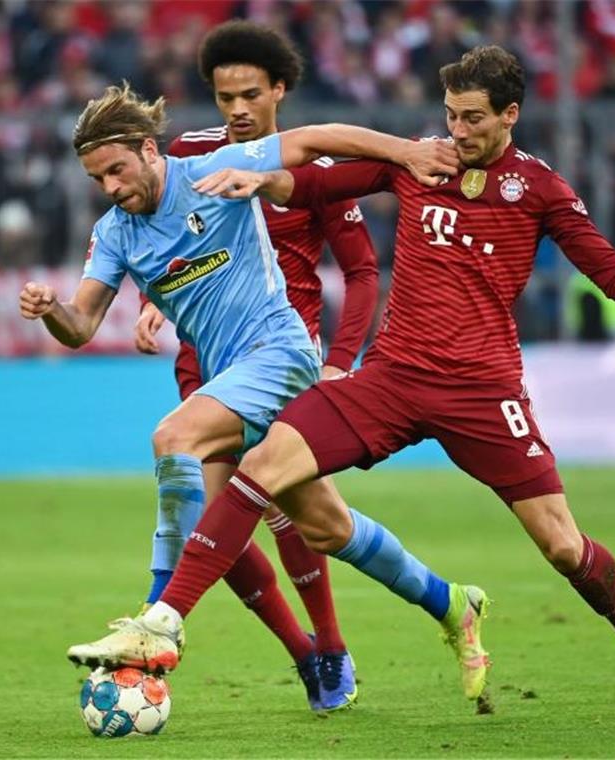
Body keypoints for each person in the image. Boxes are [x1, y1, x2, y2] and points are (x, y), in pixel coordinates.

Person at [67, 47, 615, 715]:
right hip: (394, 378)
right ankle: (164, 622)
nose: (456, 132)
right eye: (450, 115)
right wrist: (265, 181)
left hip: (483, 391)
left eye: (472, 118)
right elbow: (317, 182)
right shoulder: (419, 164)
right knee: (258, 468)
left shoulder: (540, 189)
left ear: (510, 115)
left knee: (562, 546)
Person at [19, 82, 463, 705]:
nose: (112, 187)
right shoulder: (114, 232)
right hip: (228, 379)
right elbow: (82, 325)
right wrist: (51, 311)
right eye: (98, 179)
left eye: (117, 170)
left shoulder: (212, 172)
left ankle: (155, 614)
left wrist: (408, 152)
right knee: (328, 529)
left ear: (149, 150)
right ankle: (453, 605)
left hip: (280, 356)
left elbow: (315, 140)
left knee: (173, 437)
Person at [130, 22, 381, 712]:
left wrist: (338, 363)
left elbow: (362, 274)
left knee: (281, 501)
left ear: (278, 91)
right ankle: (304, 653)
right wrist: (154, 302)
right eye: (224, 97)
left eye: (249, 95)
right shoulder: (189, 156)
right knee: (215, 514)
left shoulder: (310, 174)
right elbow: (158, 241)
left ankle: (330, 645)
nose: (237, 110)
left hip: (282, 356)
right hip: (204, 357)